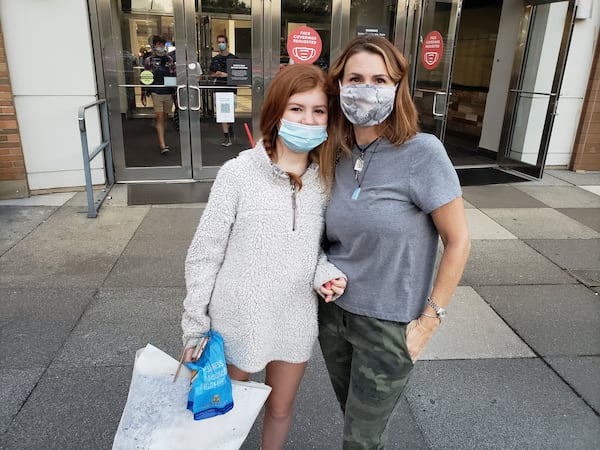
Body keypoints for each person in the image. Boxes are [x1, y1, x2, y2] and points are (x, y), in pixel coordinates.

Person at [181, 64, 347, 450]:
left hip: (293, 317)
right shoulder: (237, 173)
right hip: (236, 318)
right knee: (222, 410)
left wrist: (325, 274)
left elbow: (318, 249)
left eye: (318, 111)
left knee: (280, 408)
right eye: (296, 109)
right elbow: (204, 254)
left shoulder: (326, 179)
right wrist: (194, 326)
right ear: (276, 113)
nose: (308, 119)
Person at [317, 35, 471, 449]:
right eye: (356, 78)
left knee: (360, 440)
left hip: (387, 327)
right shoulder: (335, 152)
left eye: (380, 79)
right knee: (355, 423)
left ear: (398, 87)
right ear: (339, 85)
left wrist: (429, 322)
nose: (367, 88)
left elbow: (458, 241)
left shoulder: (423, 153)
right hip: (333, 317)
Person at [141, 35, 176, 154]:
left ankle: (162, 137)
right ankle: (162, 145)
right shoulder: (149, 60)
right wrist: (144, 92)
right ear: (154, 46)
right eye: (158, 45)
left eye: (162, 45)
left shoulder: (169, 60)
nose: (161, 47)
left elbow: (173, 75)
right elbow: (145, 77)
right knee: (160, 117)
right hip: (156, 91)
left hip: (168, 92)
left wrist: (174, 92)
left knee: (165, 117)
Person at [209, 34, 237, 147]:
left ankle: (230, 128)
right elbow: (210, 73)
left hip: (230, 89)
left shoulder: (234, 59)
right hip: (219, 88)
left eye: (223, 42)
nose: (221, 44)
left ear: (227, 43)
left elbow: (239, 74)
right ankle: (226, 137)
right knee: (222, 114)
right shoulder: (215, 59)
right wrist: (215, 74)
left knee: (230, 113)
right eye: (219, 42)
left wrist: (226, 74)